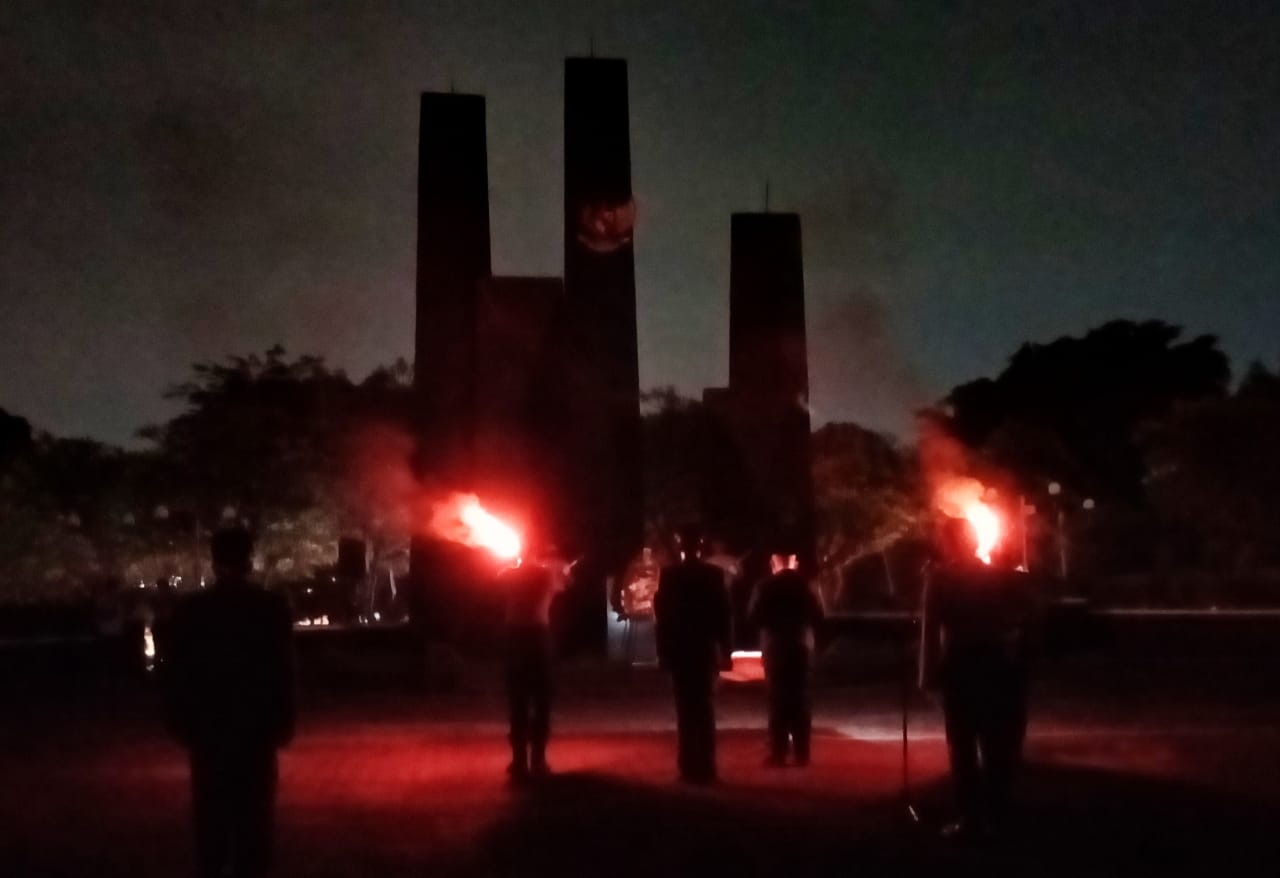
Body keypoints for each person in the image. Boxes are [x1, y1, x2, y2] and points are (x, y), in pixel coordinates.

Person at [162, 527, 295, 878]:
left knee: (211, 817)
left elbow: (177, 672)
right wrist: (283, 720)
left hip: (210, 729)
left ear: (214, 560)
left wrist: (181, 722)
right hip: (255, 728)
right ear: (249, 560)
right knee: (254, 818)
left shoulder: (193, 611)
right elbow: (281, 669)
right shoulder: (269, 608)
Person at [918, 516, 1038, 839]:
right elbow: (1021, 616)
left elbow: (930, 631)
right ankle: (998, 813)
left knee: (963, 744)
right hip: (996, 663)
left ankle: (971, 817)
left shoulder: (940, 578)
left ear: (948, 543)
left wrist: (926, 676)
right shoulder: (1000, 577)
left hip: (961, 664)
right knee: (996, 741)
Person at [653, 525, 733, 784]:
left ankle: (687, 766)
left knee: (685, 709)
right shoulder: (713, 575)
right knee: (705, 708)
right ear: (700, 547)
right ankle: (707, 766)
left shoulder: (670, 575)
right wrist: (726, 650)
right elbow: (723, 614)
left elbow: (662, 617)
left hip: (680, 647)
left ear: (681, 547)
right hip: (704, 647)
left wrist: (662, 651)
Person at [748, 550, 825, 766]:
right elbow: (818, 616)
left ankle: (779, 751)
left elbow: (754, 616)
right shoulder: (806, 586)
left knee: (778, 698)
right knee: (801, 698)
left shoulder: (765, 587)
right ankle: (802, 752)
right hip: (801, 646)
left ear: (774, 563)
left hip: (776, 647)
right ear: (794, 562)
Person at [500, 545, 568, 782]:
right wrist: (563, 570)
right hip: (538, 636)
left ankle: (519, 761)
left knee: (517, 700)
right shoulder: (547, 574)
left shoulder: (509, 573)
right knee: (541, 700)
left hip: (514, 637)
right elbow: (563, 585)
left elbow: (498, 580)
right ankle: (538, 760)